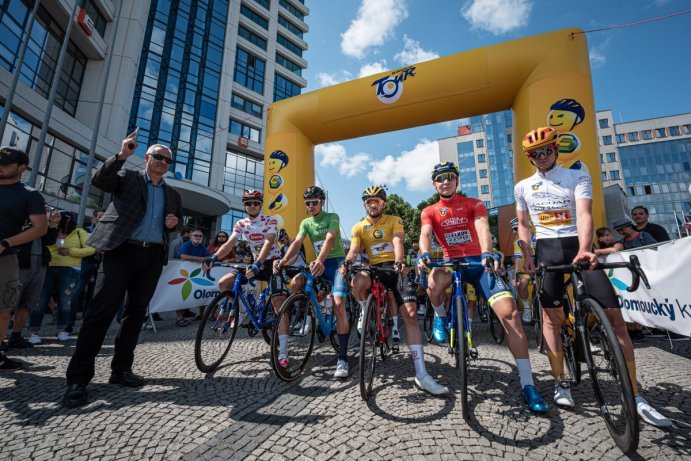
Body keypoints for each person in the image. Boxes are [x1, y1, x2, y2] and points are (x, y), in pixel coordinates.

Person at [514, 126, 671, 427]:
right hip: (547, 251)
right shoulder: (523, 187)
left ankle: (636, 396)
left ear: (556, 149)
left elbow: (585, 214)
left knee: (615, 319)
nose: (542, 157)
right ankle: (561, 381)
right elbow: (523, 224)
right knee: (551, 319)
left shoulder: (576, 176)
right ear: (530, 157)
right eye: (535, 153)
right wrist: (527, 254)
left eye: (546, 150)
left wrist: (587, 250)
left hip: (578, 245)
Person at [62, 133, 182, 408]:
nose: (163, 162)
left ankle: (121, 370)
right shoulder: (127, 177)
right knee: (100, 312)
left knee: (135, 314)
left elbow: (176, 224)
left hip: (152, 256)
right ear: (147, 158)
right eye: (158, 157)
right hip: (120, 251)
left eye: (167, 159)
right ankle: (78, 380)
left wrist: (173, 223)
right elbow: (99, 181)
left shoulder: (173, 194)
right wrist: (122, 155)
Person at [418, 161, 547, 412]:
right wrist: (424, 253)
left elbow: (482, 227)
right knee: (434, 280)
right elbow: (424, 234)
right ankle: (440, 316)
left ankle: (528, 384)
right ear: (435, 184)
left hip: (478, 261)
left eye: (450, 177)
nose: (445, 181)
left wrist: (487, 253)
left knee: (510, 314)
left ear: (456, 180)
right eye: (440, 178)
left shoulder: (473, 204)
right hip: (450, 262)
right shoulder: (429, 210)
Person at [342, 186, 447, 395]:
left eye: (377, 201)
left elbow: (397, 241)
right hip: (373, 269)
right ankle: (365, 309)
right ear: (365, 204)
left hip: (394, 267)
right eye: (369, 201)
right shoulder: (359, 227)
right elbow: (354, 250)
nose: (373, 205)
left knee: (409, 314)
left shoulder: (394, 219)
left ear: (384, 204)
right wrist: (347, 261)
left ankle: (422, 374)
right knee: (356, 281)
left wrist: (399, 261)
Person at [273, 186, 351, 378]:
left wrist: (320, 260)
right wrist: (283, 261)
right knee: (297, 282)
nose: (311, 206)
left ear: (321, 202)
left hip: (335, 263)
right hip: (319, 263)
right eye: (308, 203)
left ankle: (342, 359)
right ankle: (306, 313)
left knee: (339, 304)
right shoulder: (306, 222)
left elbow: (330, 239)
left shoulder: (332, 217)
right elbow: (297, 242)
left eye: (315, 202)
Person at [203, 189, 285, 335]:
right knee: (224, 283)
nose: (252, 206)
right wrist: (214, 258)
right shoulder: (241, 223)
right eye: (248, 203)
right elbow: (229, 243)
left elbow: (268, 242)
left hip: (272, 263)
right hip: (255, 263)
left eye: (255, 203)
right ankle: (240, 312)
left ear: (260, 205)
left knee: (277, 300)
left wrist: (258, 263)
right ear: (244, 205)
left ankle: (281, 337)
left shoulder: (270, 220)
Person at [0, 147, 48, 370]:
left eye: (4, 163)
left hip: (5, 257)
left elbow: (40, 228)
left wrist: (6, 243)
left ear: (22, 168)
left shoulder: (29, 194)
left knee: (2, 308)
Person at [29, 211, 95, 342]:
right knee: (40, 300)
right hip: (48, 267)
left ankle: (62, 330)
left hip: (70, 269)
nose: (64, 222)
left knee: (65, 301)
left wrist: (71, 251)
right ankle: (33, 332)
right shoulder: (51, 229)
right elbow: (44, 246)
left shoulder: (78, 231)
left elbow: (91, 249)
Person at [7, 207, 60, 348]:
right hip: (20, 263)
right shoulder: (19, 219)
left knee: (27, 302)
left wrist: (53, 224)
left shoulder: (43, 225)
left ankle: (16, 336)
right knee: (8, 301)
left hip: (40, 264)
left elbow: (50, 242)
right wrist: (36, 223)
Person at [67, 209, 106, 332]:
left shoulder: (107, 231)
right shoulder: (84, 231)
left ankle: (88, 321)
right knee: (76, 292)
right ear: (93, 218)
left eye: (104, 217)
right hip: (85, 263)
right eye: (100, 216)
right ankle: (69, 323)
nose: (102, 219)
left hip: (100, 264)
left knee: (95, 294)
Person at [177, 228, 210, 325]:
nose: (198, 237)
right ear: (191, 236)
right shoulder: (186, 245)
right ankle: (180, 318)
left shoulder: (202, 247)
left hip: (198, 275)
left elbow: (209, 257)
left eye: (200, 236)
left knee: (202, 292)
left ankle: (201, 314)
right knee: (184, 295)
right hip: (185, 275)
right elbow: (183, 256)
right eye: (196, 235)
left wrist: (201, 259)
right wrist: (200, 259)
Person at [510, 217, 536, 323]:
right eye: (513, 229)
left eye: (516, 229)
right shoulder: (517, 242)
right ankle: (527, 307)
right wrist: (516, 277)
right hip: (528, 269)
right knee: (522, 283)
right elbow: (518, 259)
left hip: (540, 266)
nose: (514, 232)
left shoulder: (538, 237)